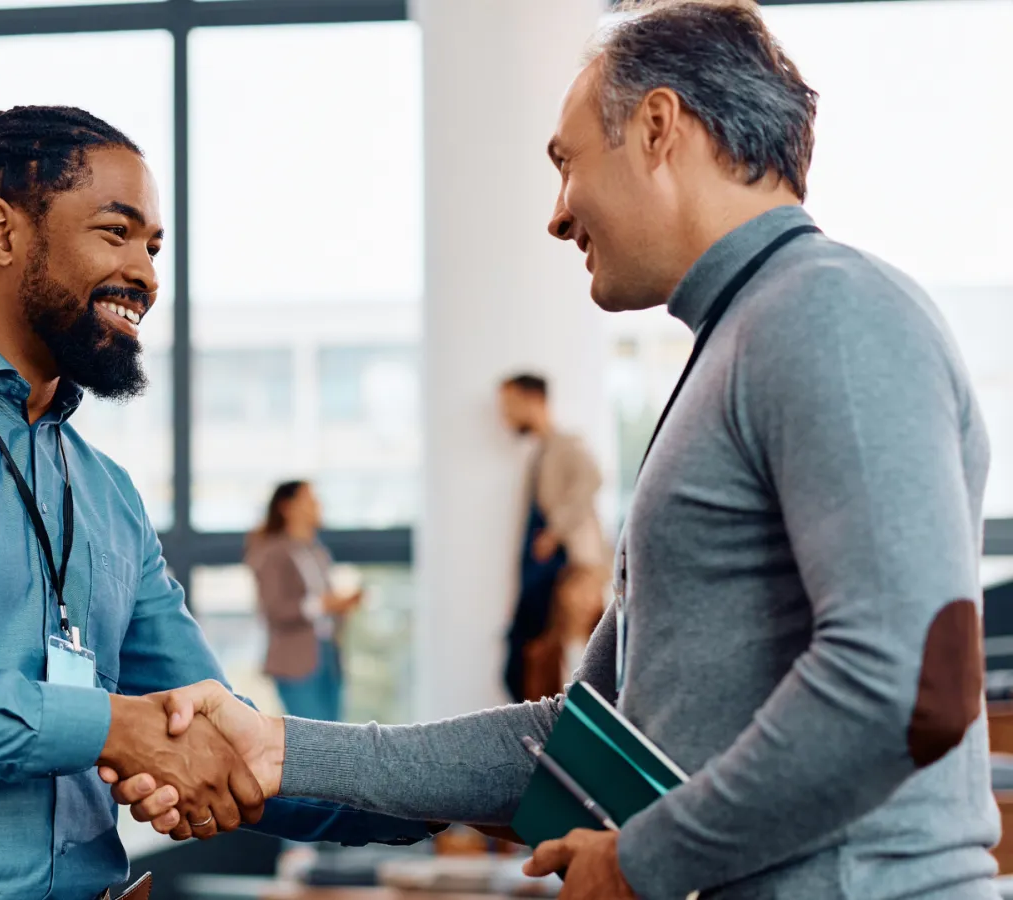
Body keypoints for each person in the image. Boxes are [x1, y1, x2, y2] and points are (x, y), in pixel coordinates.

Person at [115, 2, 998, 898]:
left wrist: (638, 860)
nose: (557, 215)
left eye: (566, 163)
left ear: (658, 128)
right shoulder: (739, 341)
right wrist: (278, 746)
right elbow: (572, 745)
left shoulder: (829, 312)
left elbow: (910, 685)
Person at [0, 105, 434, 900]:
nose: (148, 275)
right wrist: (108, 726)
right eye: (116, 232)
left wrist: (462, 795)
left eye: (155, 247)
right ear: (1, 232)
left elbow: (225, 741)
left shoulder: (105, 493)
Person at [498, 373, 608, 703]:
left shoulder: (567, 444)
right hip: (545, 576)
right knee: (529, 663)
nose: (504, 415)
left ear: (532, 400)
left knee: (567, 659)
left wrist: (554, 531)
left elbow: (592, 478)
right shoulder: (540, 453)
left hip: (571, 570)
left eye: (509, 405)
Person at [247, 481, 361, 722]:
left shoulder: (317, 551)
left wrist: (342, 607)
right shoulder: (271, 552)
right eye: (309, 500)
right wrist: (323, 605)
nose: (318, 505)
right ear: (287, 507)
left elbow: (323, 603)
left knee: (337, 736)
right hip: (295, 660)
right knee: (313, 739)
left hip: (328, 654)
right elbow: (273, 609)